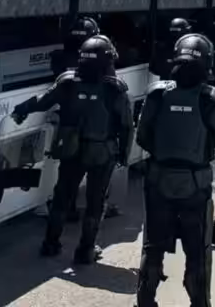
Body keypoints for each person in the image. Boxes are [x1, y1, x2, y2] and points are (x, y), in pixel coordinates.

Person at [135, 33, 215, 307]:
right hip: (195, 185)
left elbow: (142, 137)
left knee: (152, 247)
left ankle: (144, 302)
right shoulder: (211, 98)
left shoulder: (157, 93)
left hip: (158, 180)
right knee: (198, 252)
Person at [12, 35, 133, 263]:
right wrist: (124, 156)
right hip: (101, 153)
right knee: (95, 203)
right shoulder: (114, 89)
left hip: (71, 149)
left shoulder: (68, 82)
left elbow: (43, 100)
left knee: (62, 198)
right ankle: (85, 251)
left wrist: (21, 109)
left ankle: (50, 244)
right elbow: (126, 125)